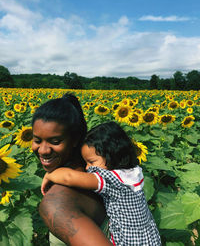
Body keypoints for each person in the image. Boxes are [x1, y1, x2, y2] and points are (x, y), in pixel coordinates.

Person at [41, 121, 162, 246]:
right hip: (149, 238)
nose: (88, 168)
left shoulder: (111, 180)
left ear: (111, 154)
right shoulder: (133, 172)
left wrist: (50, 174)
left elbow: (69, 177)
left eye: (91, 162)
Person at [32, 93, 113, 246]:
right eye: (37, 140)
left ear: (75, 139)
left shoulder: (56, 205)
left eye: (55, 141)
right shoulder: (102, 166)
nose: (42, 150)